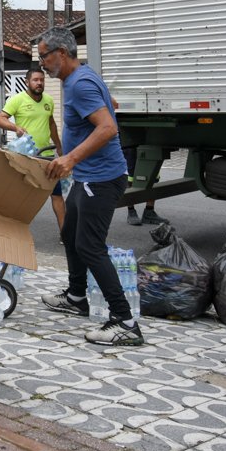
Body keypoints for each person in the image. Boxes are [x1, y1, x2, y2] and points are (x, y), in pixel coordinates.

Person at [37, 27, 144, 346]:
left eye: (44, 55)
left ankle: (125, 321)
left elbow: (108, 127)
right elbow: (110, 104)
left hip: (102, 177)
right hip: (88, 176)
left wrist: (70, 158)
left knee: (89, 246)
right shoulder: (80, 78)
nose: (41, 62)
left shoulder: (80, 83)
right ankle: (76, 296)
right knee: (70, 232)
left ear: (62, 53)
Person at [0, 66, 65, 229]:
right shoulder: (17, 100)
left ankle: (65, 232)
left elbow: (51, 124)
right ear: (27, 82)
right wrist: (15, 128)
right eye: (35, 80)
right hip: (26, 156)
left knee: (57, 195)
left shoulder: (48, 100)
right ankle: (12, 229)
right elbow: (0, 119)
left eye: (42, 80)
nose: (39, 83)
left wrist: (59, 147)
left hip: (47, 155)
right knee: (20, 195)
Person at [123, 144, 165, 225]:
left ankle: (149, 212)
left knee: (153, 176)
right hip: (131, 144)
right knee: (130, 179)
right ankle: (131, 212)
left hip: (150, 142)